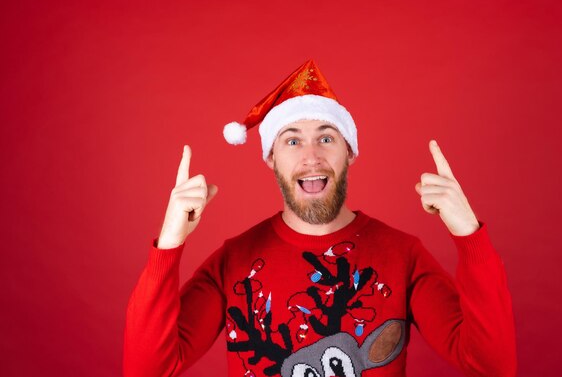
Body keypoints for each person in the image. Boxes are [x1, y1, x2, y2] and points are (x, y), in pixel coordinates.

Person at [123, 59, 517, 377]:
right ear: (271, 158)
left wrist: (470, 238)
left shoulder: (403, 256)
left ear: (350, 153)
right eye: (292, 140)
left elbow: (492, 367)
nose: (311, 156)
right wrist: (169, 246)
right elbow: (146, 369)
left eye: (326, 137)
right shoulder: (233, 262)